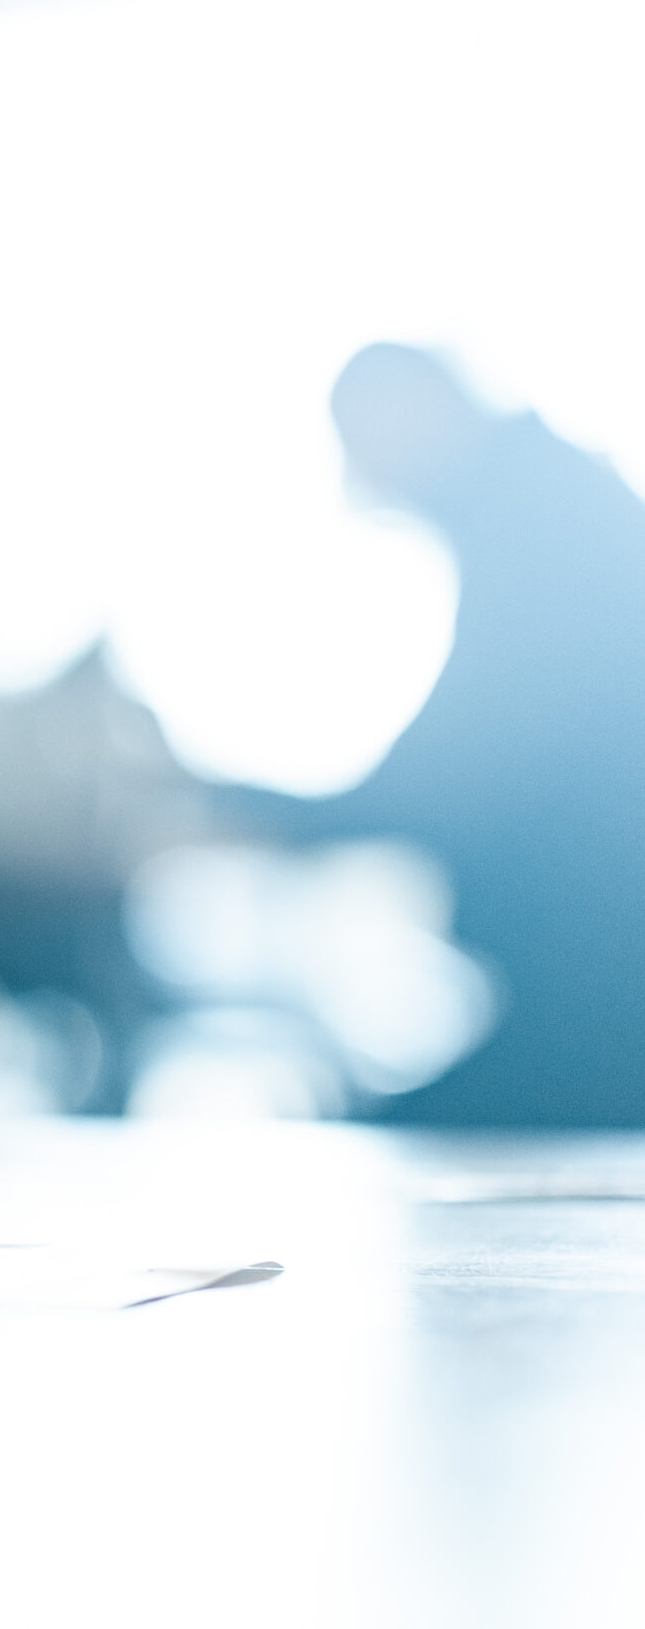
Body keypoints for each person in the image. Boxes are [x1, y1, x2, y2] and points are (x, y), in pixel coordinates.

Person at [263, 343, 645, 1124]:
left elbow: (455, 772)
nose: (369, 474)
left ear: (414, 406)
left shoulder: (542, 513)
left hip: (601, 993)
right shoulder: (544, 495)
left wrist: (250, 811)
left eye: (365, 442)